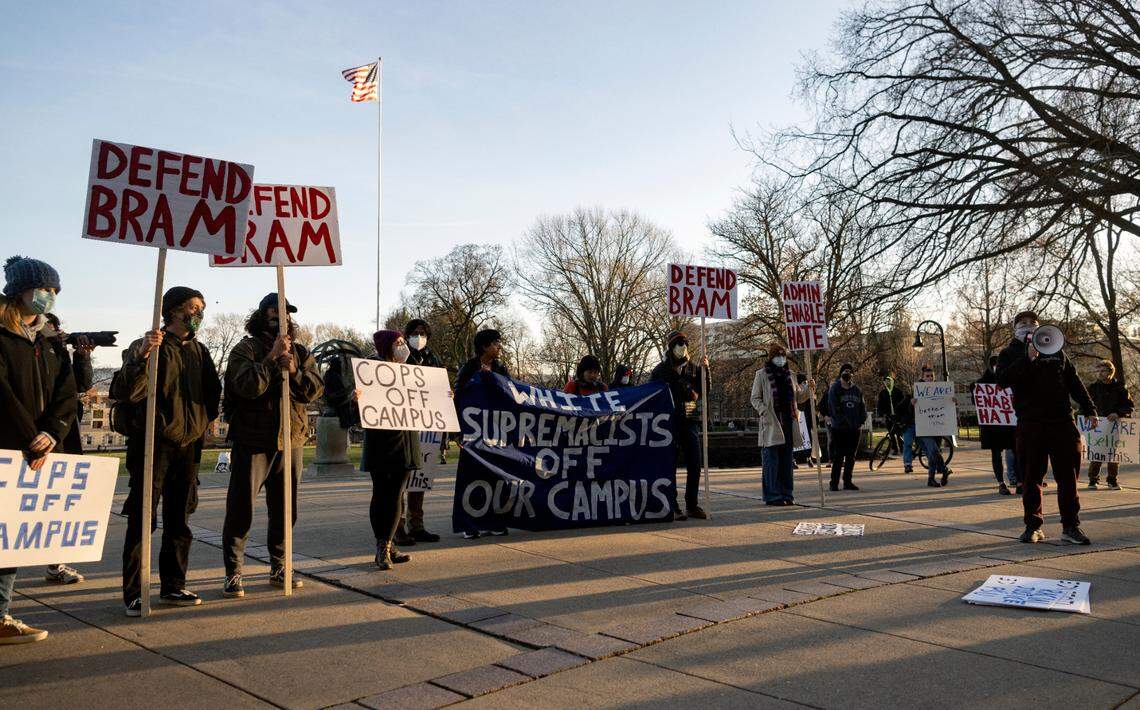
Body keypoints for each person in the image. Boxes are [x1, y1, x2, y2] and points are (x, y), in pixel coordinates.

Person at [112, 286, 221, 616]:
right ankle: (134, 590)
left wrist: (199, 423)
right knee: (143, 519)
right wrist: (143, 355)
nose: (198, 313)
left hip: (188, 447)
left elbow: (212, 396)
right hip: (153, 445)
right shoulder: (149, 345)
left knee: (180, 519)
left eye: (201, 307)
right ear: (173, 310)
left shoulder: (200, 351)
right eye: (192, 306)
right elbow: (126, 391)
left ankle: (173, 584)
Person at [220, 294, 324, 598]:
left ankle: (280, 565)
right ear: (262, 316)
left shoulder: (302, 352)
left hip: (290, 441)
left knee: (284, 510)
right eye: (275, 313)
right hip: (253, 440)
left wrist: (294, 371)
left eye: (287, 314)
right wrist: (269, 359)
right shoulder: (245, 349)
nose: (282, 319)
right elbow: (245, 387)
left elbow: (314, 390)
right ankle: (233, 571)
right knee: (241, 509)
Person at [0, 256, 75, 644]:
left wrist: (52, 432)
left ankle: (0, 614)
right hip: (9, 445)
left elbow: (67, 393)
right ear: (19, 292)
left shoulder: (50, 341)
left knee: (8, 538)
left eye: (55, 291)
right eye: (44, 289)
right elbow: (4, 395)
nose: (50, 297)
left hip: (39, 449)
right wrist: (31, 436)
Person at [997, 310, 1097, 545]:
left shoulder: (1056, 350)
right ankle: (1033, 526)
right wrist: (1027, 358)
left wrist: (1090, 409)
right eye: (1023, 323)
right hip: (1031, 423)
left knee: (1068, 477)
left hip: (1062, 421)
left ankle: (1071, 526)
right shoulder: (1009, 353)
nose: (1029, 325)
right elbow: (1002, 380)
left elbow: (1074, 381)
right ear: (1015, 328)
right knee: (1031, 477)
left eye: (1034, 322)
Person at [41, 312, 93, 585]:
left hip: (63, 434)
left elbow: (80, 386)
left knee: (59, 502)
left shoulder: (58, 353)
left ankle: (56, 563)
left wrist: (81, 356)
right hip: (34, 432)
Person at [362, 330, 421, 568]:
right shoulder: (371, 370)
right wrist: (357, 400)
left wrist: (444, 396)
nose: (403, 346)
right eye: (398, 343)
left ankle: (388, 545)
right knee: (382, 494)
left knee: (396, 494)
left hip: (405, 441)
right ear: (386, 346)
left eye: (403, 342)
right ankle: (383, 546)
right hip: (381, 441)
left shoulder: (411, 371)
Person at [454, 328, 510, 538]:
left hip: (496, 432)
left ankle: (495, 521)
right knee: (471, 476)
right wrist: (457, 430)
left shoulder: (501, 369)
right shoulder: (468, 369)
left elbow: (511, 394)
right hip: (472, 434)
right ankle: (470, 524)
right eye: (496, 343)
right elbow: (457, 399)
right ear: (485, 346)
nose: (499, 347)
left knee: (496, 476)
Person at [650, 331, 710, 519]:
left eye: (684, 343)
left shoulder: (693, 367)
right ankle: (673, 503)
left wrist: (706, 370)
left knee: (695, 463)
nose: (682, 346)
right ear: (670, 347)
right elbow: (651, 394)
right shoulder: (661, 370)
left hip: (690, 419)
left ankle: (692, 504)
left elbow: (705, 390)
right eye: (678, 343)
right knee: (671, 463)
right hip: (669, 421)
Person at [396, 318, 443, 544]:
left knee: (419, 478)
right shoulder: (400, 357)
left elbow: (438, 387)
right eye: (415, 332)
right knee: (402, 480)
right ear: (407, 335)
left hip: (427, 425)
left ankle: (417, 525)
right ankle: (398, 526)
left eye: (423, 333)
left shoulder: (433, 360)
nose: (419, 336)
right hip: (404, 424)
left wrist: (446, 395)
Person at [750, 343, 812, 505]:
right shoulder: (761, 375)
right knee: (771, 462)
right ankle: (772, 495)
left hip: (788, 423)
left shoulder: (790, 374)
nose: (781, 358)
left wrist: (808, 388)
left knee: (786, 462)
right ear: (771, 357)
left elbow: (798, 397)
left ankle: (786, 493)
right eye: (778, 355)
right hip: (772, 423)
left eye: (783, 355)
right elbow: (755, 398)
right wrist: (764, 411)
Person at [1085, 359, 1133, 490]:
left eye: (1103, 371)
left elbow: (1129, 406)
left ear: (1111, 372)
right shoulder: (1093, 388)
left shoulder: (1121, 388)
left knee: (1114, 454)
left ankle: (1112, 480)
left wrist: (1118, 413)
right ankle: (1093, 480)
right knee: (1097, 452)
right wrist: (1087, 416)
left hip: (1115, 426)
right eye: (1098, 371)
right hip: (1097, 426)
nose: (1100, 373)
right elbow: (1085, 405)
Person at [975, 355, 1018, 495]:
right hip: (993, 426)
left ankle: (1019, 481)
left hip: (1009, 424)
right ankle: (1001, 483)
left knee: (1016, 451)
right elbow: (977, 401)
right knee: (996, 454)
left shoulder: (1010, 379)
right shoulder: (982, 383)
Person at [824, 362, 865, 491]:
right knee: (838, 456)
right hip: (839, 429)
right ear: (841, 373)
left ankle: (847, 481)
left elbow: (862, 407)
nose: (847, 374)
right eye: (845, 371)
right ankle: (834, 483)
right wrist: (843, 422)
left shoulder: (856, 390)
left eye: (849, 371)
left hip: (855, 428)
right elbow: (834, 408)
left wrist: (860, 421)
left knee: (851, 456)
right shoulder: (834, 388)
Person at [912, 365, 952, 488]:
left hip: (937, 427)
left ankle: (931, 479)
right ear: (923, 378)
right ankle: (944, 470)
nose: (929, 378)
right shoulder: (916, 390)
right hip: (923, 428)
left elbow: (945, 404)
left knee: (932, 454)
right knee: (934, 450)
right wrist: (911, 402)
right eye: (927, 376)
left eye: (931, 376)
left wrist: (952, 400)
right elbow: (903, 406)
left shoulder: (940, 389)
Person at [876, 371, 915, 472]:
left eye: (889, 381)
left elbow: (903, 403)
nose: (887, 383)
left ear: (892, 381)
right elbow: (880, 405)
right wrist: (883, 415)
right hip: (889, 416)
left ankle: (902, 448)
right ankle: (895, 448)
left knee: (899, 433)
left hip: (898, 416)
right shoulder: (883, 393)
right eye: (885, 381)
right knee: (891, 433)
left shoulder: (898, 391)